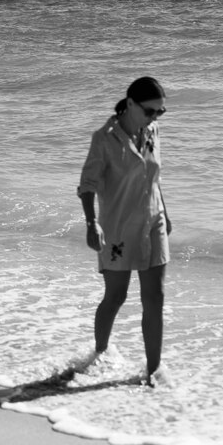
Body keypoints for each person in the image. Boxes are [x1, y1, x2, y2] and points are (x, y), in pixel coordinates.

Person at [78, 76, 171, 386]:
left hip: (153, 222)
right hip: (118, 228)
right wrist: (92, 223)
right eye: (150, 111)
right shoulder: (104, 139)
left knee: (155, 297)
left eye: (160, 111)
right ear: (130, 104)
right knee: (115, 297)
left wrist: (166, 214)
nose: (155, 117)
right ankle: (100, 355)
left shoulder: (153, 130)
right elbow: (87, 186)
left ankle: (152, 372)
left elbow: (154, 179)